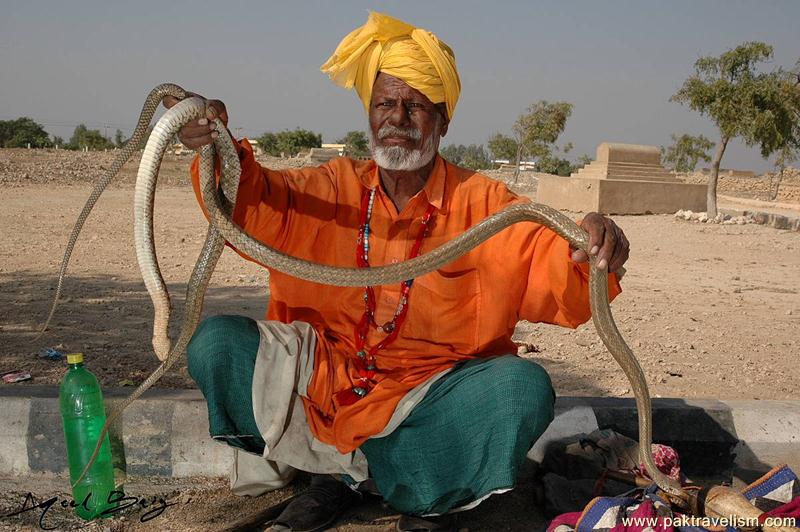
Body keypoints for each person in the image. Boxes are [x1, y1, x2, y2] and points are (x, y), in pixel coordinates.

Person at [165, 11, 629, 532]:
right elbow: (253, 202)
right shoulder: (329, 188)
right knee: (217, 345)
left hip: (427, 395)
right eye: (385, 103)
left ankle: (404, 488)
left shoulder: (489, 206)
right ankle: (346, 476)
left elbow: (555, 269)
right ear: (369, 113)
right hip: (328, 378)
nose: (398, 118)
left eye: (417, 106)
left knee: (521, 388)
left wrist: (589, 248)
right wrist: (217, 145)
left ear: (443, 121)